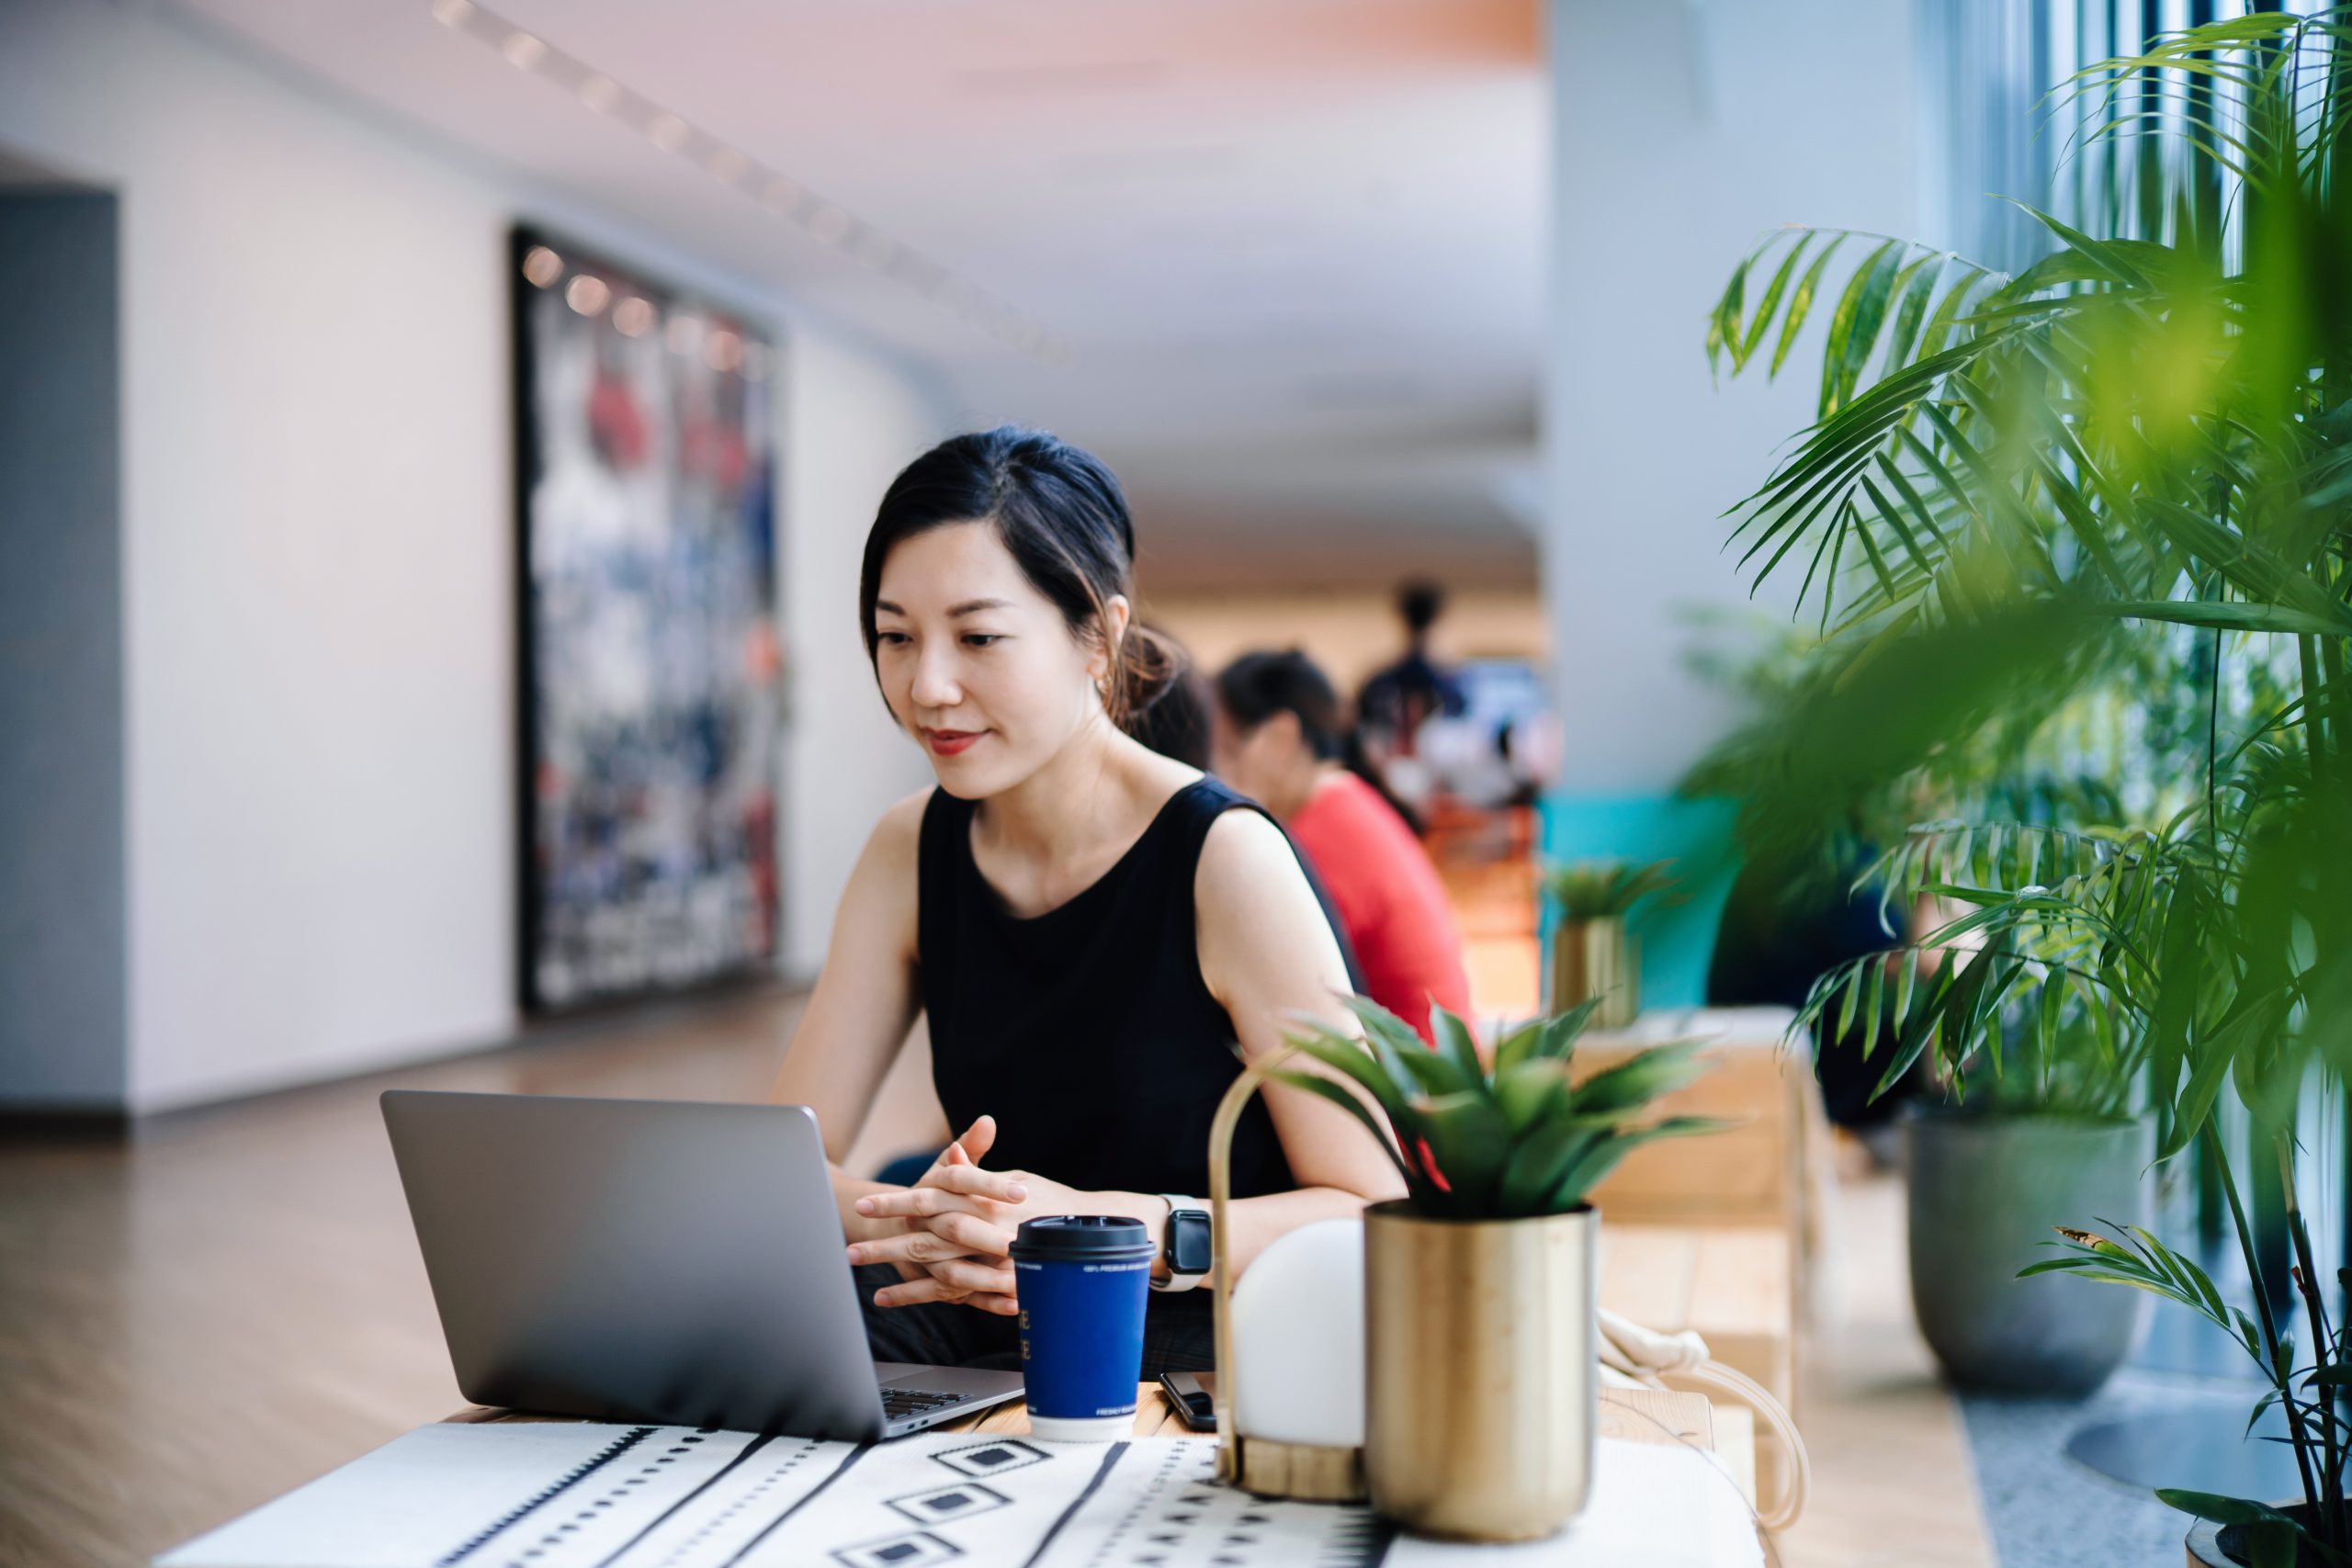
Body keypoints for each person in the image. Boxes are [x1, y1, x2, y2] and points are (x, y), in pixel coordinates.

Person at [768, 428, 1401, 1377]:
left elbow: (1368, 1211)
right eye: (895, 636)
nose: (927, 686)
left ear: (1098, 638)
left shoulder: (1223, 859)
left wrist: (1096, 1232)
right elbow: (778, 1167)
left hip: (1203, 1327)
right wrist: (949, 1222)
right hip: (990, 1309)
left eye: (978, 638)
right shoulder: (910, 847)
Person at [1210, 649, 1473, 1044]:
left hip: (1408, 1091)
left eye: (1228, 750)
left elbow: (1281, 983)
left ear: (1282, 736)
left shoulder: (1318, 837)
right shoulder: (1348, 805)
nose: (1218, 774)